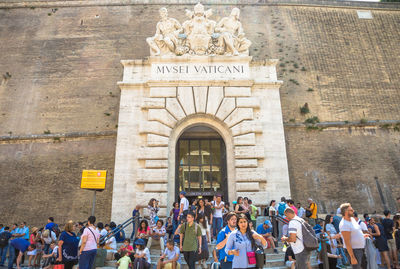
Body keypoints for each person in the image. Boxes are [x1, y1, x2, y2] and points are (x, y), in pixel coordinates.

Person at [339, 203, 367, 269]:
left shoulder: (352, 219)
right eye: (351, 210)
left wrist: (362, 236)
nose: (353, 211)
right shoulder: (344, 224)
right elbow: (347, 242)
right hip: (354, 251)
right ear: (346, 212)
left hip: (360, 249)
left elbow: (356, 232)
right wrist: (352, 257)